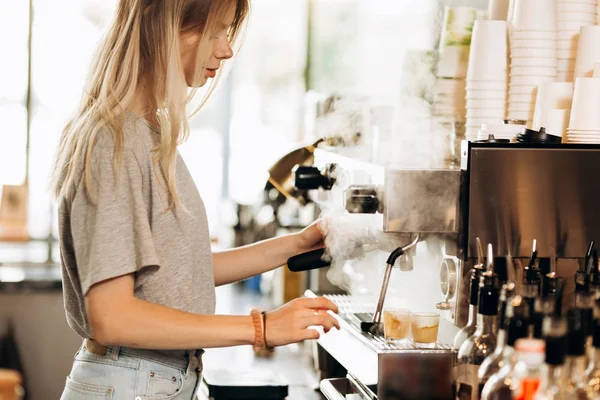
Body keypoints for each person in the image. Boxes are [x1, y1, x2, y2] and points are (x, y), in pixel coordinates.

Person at [51, 1, 339, 398]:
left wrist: (296, 244)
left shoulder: (143, 133)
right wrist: (261, 328)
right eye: (216, 32)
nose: (226, 49)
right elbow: (111, 316)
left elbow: (178, 273)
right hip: (131, 380)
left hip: (149, 379)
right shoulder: (112, 140)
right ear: (166, 27)